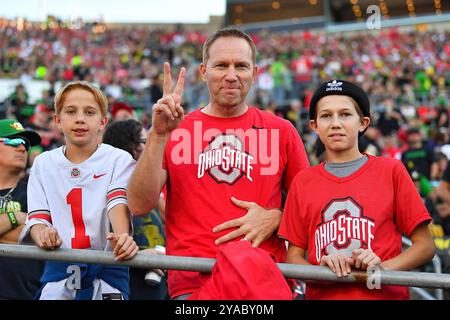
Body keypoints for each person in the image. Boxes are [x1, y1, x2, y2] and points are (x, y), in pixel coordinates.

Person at [128, 27, 310, 300]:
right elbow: (139, 204)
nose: (232, 75)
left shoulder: (281, 131)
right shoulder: (174, 128)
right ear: (203, 72)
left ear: (255, 73)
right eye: (221, 65)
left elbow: (310, 208)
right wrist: (159, 135)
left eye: (241, 66)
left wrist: (278, 217)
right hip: (193, 282)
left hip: (262, 280)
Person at [278, 79, 435, 300]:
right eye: (325, 116)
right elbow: (293, 255)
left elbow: (425, 245)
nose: (335, 123)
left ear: (363, 123)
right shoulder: (303, 181)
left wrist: (381, 269)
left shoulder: (391, 170)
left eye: (345, 114)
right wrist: (320, 269)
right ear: (313, 126)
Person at [19, 81, 139, 300]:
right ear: (57, 120)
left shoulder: (118, 159)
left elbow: (117, 202)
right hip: (59, 274)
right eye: (71, 111)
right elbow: (37, 218)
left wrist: (121, 237)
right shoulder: (43, 163)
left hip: (107, 271)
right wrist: (42, 234)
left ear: (103, 121)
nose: (80, 118)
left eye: (90, 112)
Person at [102, 119, 168, 300]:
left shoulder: (150, 194)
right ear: (132, 148)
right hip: (125, 288)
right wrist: (139, 256)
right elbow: (98, 244)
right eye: (145, 142)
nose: (150, 149)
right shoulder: (105, 190)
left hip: (157, 289)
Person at [0, 119, 45, 299]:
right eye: (14, 142)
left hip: (24, 293)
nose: (22, 148)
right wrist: (15, 217)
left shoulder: (37, 192)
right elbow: (26, 233)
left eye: (25, 144)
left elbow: (40, 238)